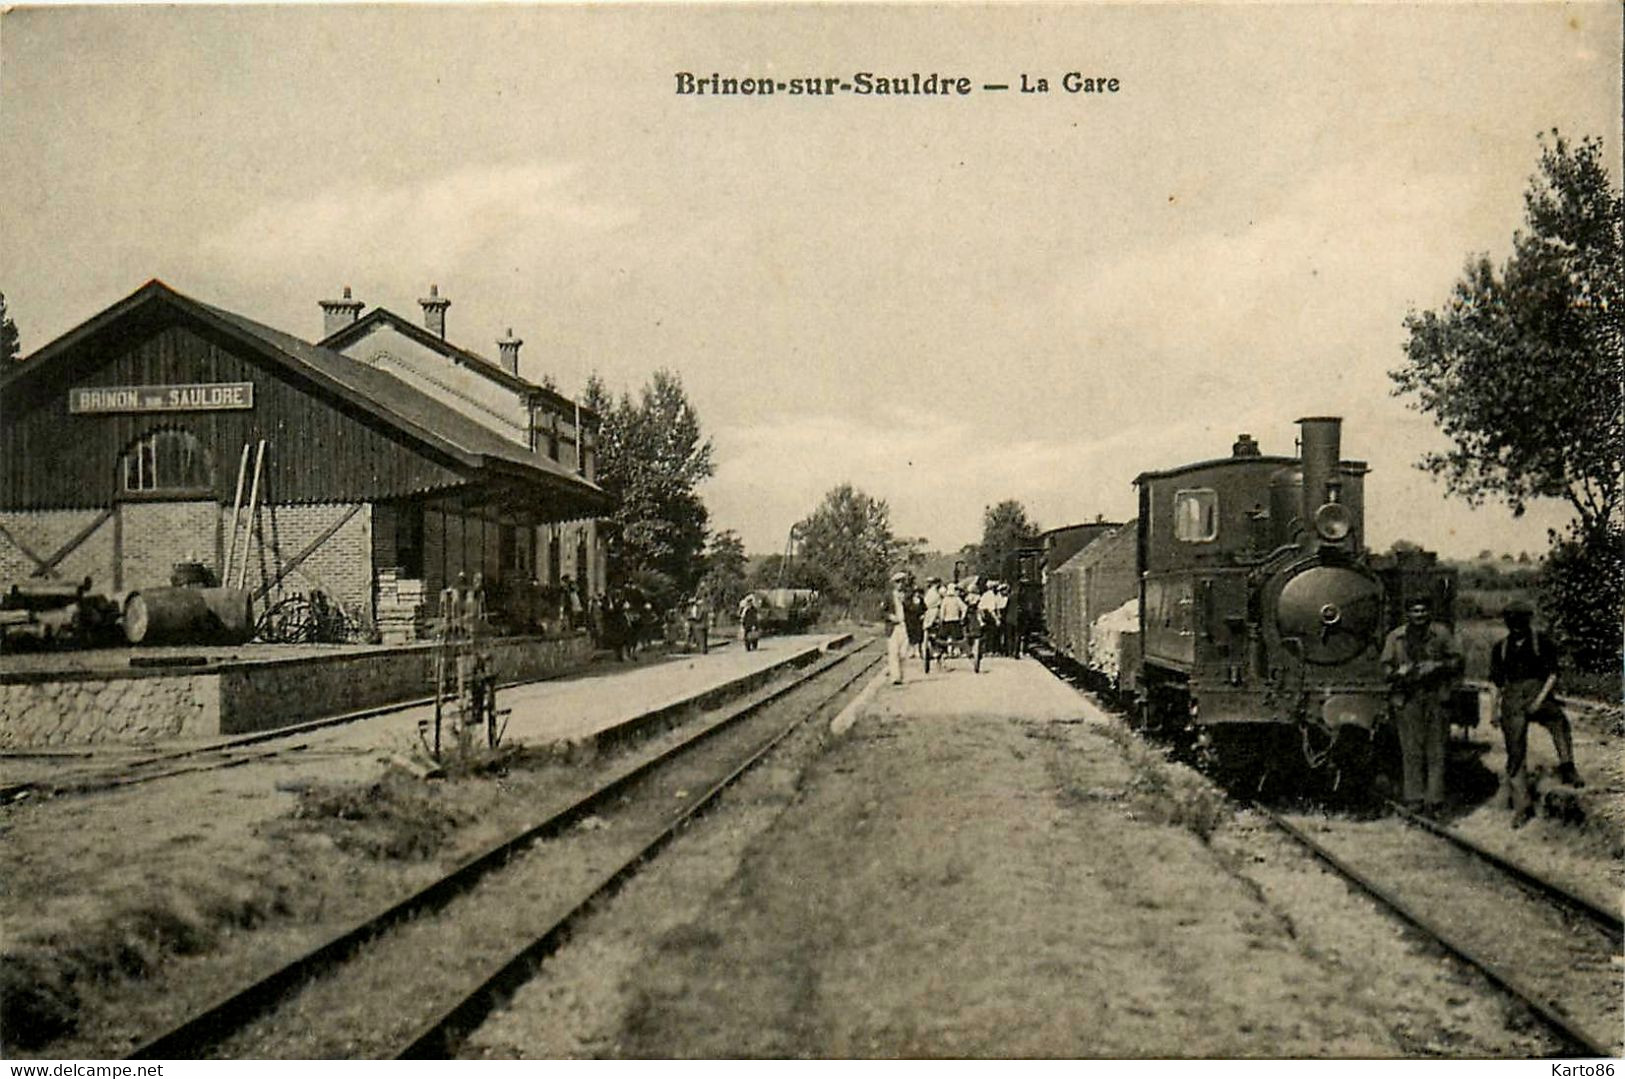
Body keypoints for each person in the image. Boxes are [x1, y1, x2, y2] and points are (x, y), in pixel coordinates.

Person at [1489, 598, 1582, 827]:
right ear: (1507, 623)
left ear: (1528, 620)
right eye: (1512, 621)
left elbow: (1552, 675)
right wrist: (1493, 709)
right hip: (1512, 699)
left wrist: (1539, 700)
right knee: (1515, 752)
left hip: (1538, 692)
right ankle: (1522, 806)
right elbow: (1495, 682)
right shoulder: (1500, 648)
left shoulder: (1542, 643)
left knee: (1559, 722)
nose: (1516, 625)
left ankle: (1568, 767)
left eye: (1521, 620)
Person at [1379, 597, 1464, 815]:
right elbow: (1385, 670)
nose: (1419, 615)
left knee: (1436, 749)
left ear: (1429, 613)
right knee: (1411, 750)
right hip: (1407, 697)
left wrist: (1437, 665)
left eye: (1423, 611)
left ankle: (1435, 800)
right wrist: (1399, 672)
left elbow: (1457, 661)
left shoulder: (1441, 633)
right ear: (1408, 614)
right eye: (1415, 611)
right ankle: (1414, 798)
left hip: (1436, 696)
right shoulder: (1396, 637)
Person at [884, 571, 914, 684]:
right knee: (893, 652)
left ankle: (901, 674)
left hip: (904, 626)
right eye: (897, 582)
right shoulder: (888, 596)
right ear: (894, 584)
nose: (900, 584)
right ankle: (895, 677)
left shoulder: (908, 595)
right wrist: (889, 616)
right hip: (893, 627)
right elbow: (882, 611)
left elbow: (913, 610)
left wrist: (905, 603)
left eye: (902, 582)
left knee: (903, 653)